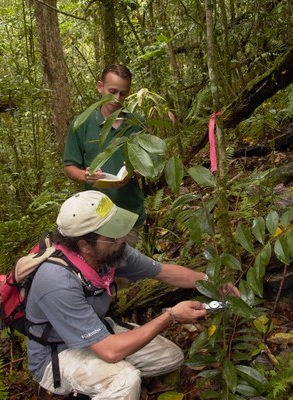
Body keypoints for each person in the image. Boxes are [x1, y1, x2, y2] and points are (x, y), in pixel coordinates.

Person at [25, 190, 240, 400]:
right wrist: (170, 317)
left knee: (171, 358)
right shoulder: (57, 281)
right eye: (112, 236)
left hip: (95, 331)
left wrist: (213, 282)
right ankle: (107, 384)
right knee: (126, 380)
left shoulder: (113, 252)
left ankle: (107, 381)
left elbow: (164, 272)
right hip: (57, 352)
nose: (121, 239)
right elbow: (109, 351)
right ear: (84, 245)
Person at [63, 64, 145, 247]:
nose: (117, 99)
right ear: (100, 87)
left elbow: (148, 164)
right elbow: (70, 167)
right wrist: (86, 175)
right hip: (95, 216)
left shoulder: (137, 122)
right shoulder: (82, 124)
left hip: (129, 211)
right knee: (101, 273)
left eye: (123, 94)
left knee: (126, 271)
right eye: (112, 91)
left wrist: (139, 171)